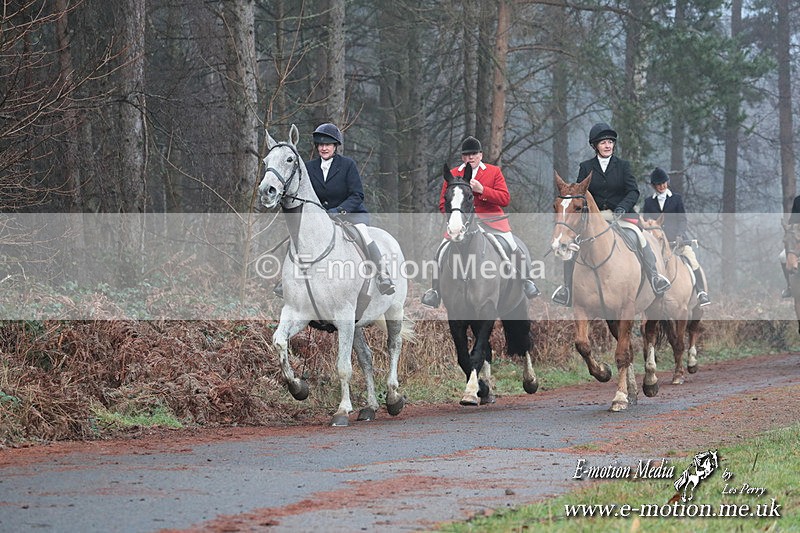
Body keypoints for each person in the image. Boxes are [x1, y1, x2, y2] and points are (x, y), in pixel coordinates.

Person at [551, 122, 671, 307]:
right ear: (595, 146)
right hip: (595, 218)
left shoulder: (623, 166)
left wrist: (622, 207)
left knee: (640, 237)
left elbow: (633, 192)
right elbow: (579, 194)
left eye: (610, 142)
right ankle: (567, 288)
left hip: (620, 216)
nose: (607, 145)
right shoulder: (585, 167)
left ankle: (654, 277)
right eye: (603, 142)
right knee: (573, 245)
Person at [274, 123, 395, 297]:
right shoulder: (308, 168)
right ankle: (286, 281)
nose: (324, 148)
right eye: (321, 145)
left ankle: (382, 275)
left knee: (363, 234)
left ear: (335, 146)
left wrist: (338, 210)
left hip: (350, 215)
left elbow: (357, 195)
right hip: (320, 219)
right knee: (297, 238)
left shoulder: (347, 165)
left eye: (328, 145)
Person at [421, 136, 540, 308]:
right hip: (462, 225)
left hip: (492, 221)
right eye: (466, 154)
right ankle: (435, 291)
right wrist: (455, 218)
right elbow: (443, 203)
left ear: (480, 155)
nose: (470, 158)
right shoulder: (454, 174)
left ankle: (527, 281)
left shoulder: (493, 172)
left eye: (474, 154)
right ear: (462, 157)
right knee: (440, 252)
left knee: (512, 246)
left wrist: (482, 190)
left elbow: (505, 198)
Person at [641, 168, 711, 307]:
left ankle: (701, 292)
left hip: (677, 241)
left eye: (664, 183)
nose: (662, 186)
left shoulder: (676, 199)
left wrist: (679, 235)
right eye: (659, 184)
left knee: (692, 260)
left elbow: (682, 220)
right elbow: (646, 221)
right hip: (657, 244)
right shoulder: (649, 202)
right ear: (654, 186)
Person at [779, 195, 800, 297]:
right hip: (798, 239)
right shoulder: (798, 200)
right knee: (782, 256)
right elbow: (793, 222)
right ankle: (789, 286)